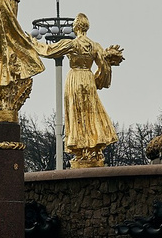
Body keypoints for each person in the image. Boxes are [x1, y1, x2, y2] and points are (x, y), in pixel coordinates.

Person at [39, 14, 124, 166]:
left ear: (75, 27)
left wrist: (30, 43)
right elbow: (104, 67)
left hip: (75, 78)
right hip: (88, 78)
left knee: (76, 113)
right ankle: (94, 148)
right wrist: (98, 81)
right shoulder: (95, 45)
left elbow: (49, 51)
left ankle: (81, 150)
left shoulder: (72, 44)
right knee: (92, 112)